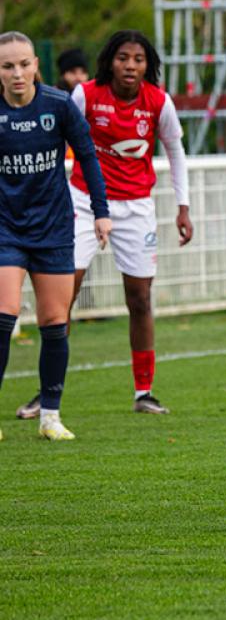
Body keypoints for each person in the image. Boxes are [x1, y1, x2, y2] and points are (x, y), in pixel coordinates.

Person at [15, 30, 192, 420]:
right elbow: (58, 137)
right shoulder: (86, 96)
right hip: (82, 201)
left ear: (148, 65)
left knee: (140, 299)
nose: (131, 65)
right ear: (110, 61)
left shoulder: (158, 103)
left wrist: (183, 206)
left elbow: (176, 151)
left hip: (137, 207)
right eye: (123, 57)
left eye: (139, 59)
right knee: (64, 294)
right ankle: (47, 394)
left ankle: (144, 391)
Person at [0, 31, 111, 440]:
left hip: (53, 228)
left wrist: (101, 213)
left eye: (24, 64)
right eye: (7, 66)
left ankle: (50, 416)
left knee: (53, 322)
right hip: (6, 228)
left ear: (36, 66)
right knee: (4, 312)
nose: (17, 73)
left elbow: (87, 156)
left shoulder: (59, 105)